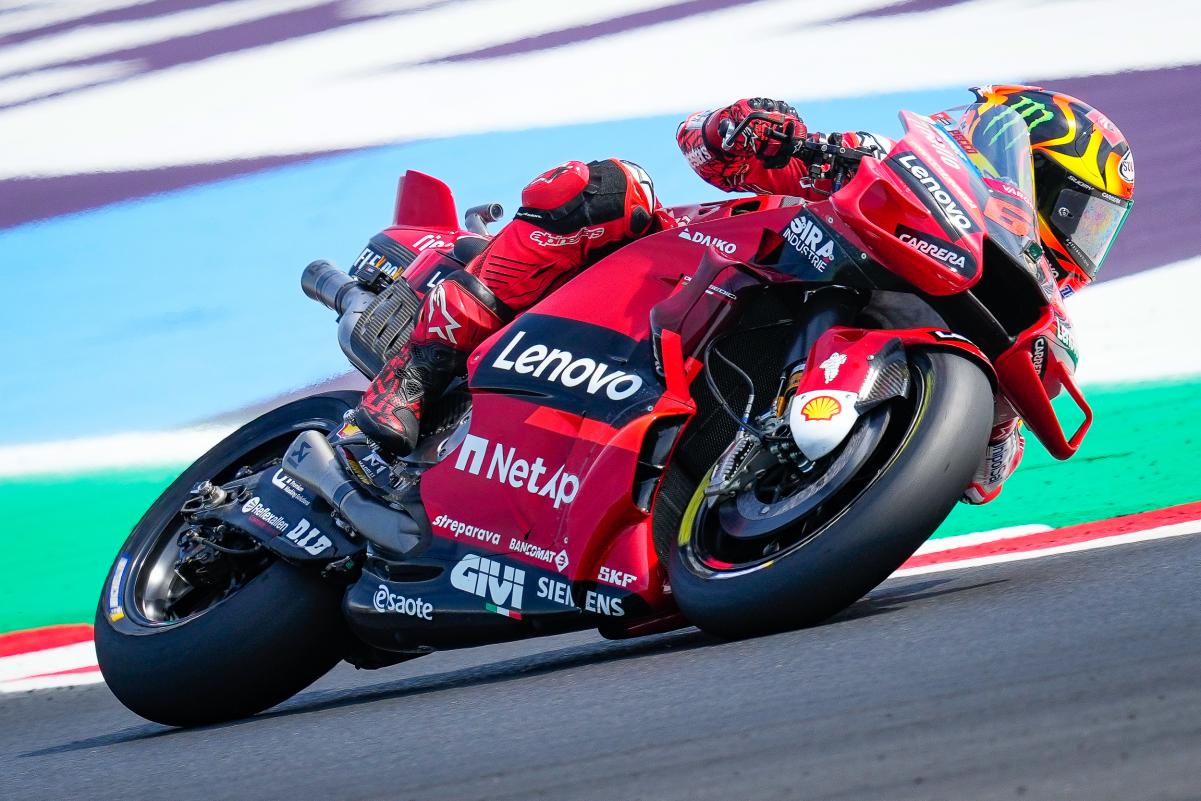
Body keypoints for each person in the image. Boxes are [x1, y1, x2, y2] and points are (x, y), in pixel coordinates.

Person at [355, 87, 1134, 505]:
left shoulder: (1020, 321)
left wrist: (993, 418)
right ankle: (415, 376)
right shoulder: (883, 169)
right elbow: (702, 141)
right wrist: (759, 130)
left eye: (1098, 226)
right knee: (603, 186)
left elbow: (979, 480)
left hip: (706, 415)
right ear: (1019, 162)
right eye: (1079, 211)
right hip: (670, 277)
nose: (1083, 238)